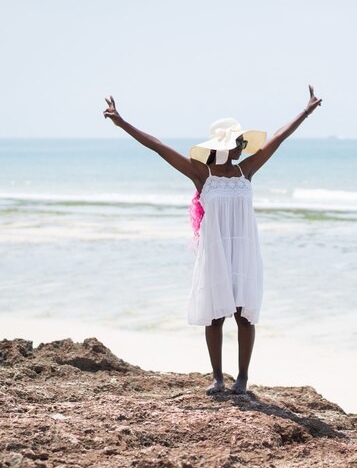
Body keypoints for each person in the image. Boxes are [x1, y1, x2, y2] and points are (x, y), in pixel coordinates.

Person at [102, 85, 322, 394]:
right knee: (216, 315)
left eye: (243, 142)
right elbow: (158, 147)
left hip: (244, 249)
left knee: (244, 316)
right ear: (223, 146)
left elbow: (279, 138)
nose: (242, 146)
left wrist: (306, 111)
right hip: (216, 249)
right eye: (237, 142)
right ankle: (218, 377)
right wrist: (122, 122)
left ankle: (242, 378)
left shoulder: (247, 170)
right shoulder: (201, 174)